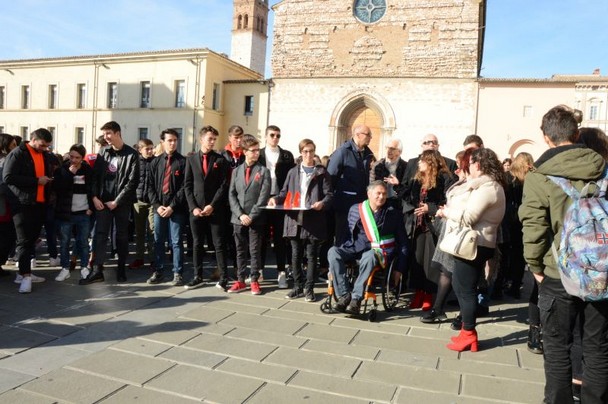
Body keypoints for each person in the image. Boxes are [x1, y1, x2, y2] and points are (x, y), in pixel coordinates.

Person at [520, 106, 608, 403]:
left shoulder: (539, 177)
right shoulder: (604, 169)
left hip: (558, 273)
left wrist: (535, 267)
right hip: (601, 271)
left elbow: (534, 228)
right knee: (598, 347)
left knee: (557, 347)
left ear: (546, 138)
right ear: (577, 133)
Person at [435, 148, 505, 352]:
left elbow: (469, 217)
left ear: (479, 164)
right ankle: (467, 331)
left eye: (471, 163)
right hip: (474, 243)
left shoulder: (488, 188)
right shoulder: (486, 185)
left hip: (476, 244)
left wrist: (446, 212)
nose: (469, 166)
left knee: (466, 290)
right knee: (460, 285)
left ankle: (469, 333)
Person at [328, 180, 407, 314]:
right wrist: (332, 267)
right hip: (355, 247)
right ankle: (344, 296)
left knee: (369, 256)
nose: (381, 197)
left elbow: (404, 242)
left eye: (384, 194)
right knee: (333, 252)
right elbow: (345, 234)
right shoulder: (355, 209)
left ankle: (356, 299)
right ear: (369, 194)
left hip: (377, 251)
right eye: (378, 193)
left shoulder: (393, 213)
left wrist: (400, 268)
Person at [268, 139, 333, 302]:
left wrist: (322, 203)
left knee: (311, 256)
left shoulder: (322, 173)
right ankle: (297, 286)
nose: (308, 154)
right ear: (301, 153)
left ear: (314, 152)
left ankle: (309, 288)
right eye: (305, 151)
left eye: (311, 151)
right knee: (295, 255)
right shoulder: (293, 172)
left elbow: (329, 194)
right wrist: (275, 199)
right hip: (294, 219)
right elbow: (284, 192)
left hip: (313, 219)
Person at [80, 121, 139, 285]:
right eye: (104, 134)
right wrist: (94, 197)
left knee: (121, 236)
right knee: (99, 235)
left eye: (108, 133)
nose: (105, 137)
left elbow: (132, 182)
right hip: (102, 202)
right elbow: (94, 177)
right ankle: (97, 270)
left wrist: (117, 201)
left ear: (118, 133)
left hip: (121, 203)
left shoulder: (132, 154)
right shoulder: (103, 152)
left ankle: (121, 268)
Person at [2, 129, 55, 293]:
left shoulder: (44, 154)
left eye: (47, 146)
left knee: (32, 239)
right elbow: (8, 177)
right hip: (22, 203)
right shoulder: (18, 153)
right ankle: (25, 276)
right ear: (33, 139)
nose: (45, 148)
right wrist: (36, 181)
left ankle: (25, 273)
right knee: (24, 241)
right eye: (42, 145)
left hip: (40, 203)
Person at [402, 150, 453, 311]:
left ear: (430, 162)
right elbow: (410, 198)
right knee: (417, 260)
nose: (419, 163)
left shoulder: (444, 178)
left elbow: (447, 203)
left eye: (422, 160)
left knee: (430, 262)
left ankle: (429, 295)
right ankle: (418, 292)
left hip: (433, 226)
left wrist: (429, 208)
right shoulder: (418, 179)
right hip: (418, 225)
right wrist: (397, 187)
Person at [184, 126, 230, 290]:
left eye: (214, 139)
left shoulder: (220, 160)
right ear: (201, 139)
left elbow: (223, 186)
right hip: (196, 210)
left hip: (215, 210)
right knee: (197, 244)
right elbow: (187, 186)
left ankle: (224, 277)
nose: (212, 142)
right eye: (210, 139)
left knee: (219, 244)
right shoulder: (191, 160)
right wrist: (193, 207)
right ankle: (197, 276)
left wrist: (212, 205)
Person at [227, 136, 271, 295]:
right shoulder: (236, 171)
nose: (257, 153)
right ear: (245, 152)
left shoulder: (263, 171)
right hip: (238, 218)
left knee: (254, 251)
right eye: (253, 150)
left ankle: (253, 280)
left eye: (258, 150)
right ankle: (240, 280)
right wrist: (240, 215)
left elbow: (264, 196)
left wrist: (251, 215)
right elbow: (231, 194)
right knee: (239, 250)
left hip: (256, 219)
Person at [508, 152, 542, 355]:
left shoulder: (534, 180)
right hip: (528, 233)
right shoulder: (526, 181)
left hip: (529, 234)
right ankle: (535, 329)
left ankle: (536, 330)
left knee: (538, 288)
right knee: (538, 287)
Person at [146, 129, 187, 286]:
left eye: (175, 140)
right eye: (169, 140)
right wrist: (157, 206)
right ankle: (158, 271)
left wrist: (172, 206)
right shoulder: (155, 162)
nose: (173, 143)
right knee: (158, 240)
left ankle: (178, 273)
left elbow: (184, 187)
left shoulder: (183, 162)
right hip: (159, 209)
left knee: (176, 242)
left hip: (176, 209)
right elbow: (150, 186)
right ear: (162, 142)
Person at [258, 125, 295, 289]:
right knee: (261, 238)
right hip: (262, 201)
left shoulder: (286, 156)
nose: (275, 138)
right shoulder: (259, 154)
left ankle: (281, 272)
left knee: (280, 239)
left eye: (278, 135)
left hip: (280, 201)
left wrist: (283, 198)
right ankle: (259, 271)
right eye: (272, 135)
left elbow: (290, 180)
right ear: (266, 136)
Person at [327, 124, 375, 245]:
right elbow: (330, 178)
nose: (370, 137)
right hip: (345, 204)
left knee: (358, 236)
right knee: (343, 236)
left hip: (361, 203)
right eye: (368, 135)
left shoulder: (368, 154)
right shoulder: (342, 152)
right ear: (358, 135)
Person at [53, 144, 93, 281]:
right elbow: (58, 188)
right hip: (66, 213)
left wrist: (91, 208)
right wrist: (69, 174)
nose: (74, 160)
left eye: (77, 157)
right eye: (71, 157)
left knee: (83, 242)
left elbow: (93, 189)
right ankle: (65, 268)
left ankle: (84, 267)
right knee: (64, 242)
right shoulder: (62, 169)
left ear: (82, 158)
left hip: (83, 212)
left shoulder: (88, 170)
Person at [129, 138, 155, 270]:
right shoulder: (135, 162)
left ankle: (153, 258)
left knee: (152, 231)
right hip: (138, 201)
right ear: (140, 150)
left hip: (152, 202)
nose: (150, 151)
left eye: (151, 148)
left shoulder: (156, 161)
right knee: (139, 232)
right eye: (147, 149)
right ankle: (139, 258)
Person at [370, 136, 407, 210]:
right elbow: (371, 185)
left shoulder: (406, 167)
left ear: (400, 152)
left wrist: (397, 185)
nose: (389, 151)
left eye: (392, 148)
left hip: (399, 205)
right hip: (380, 203)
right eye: (387, 148)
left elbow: (407, 189)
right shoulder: (377, 165)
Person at [0, 133, 18, 277]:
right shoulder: (4, 162)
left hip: (7, 204)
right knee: (6, 236)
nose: (16, 147)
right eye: (13, 145)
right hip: (3, 204)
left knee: (8, 236)